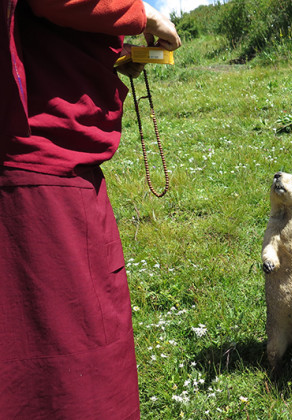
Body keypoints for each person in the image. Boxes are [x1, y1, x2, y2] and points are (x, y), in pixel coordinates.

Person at [0, 1, 181, 418]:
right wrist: (142, 15)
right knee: (74, 371)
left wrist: (102, 47)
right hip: (39, 177)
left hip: (47, 170)